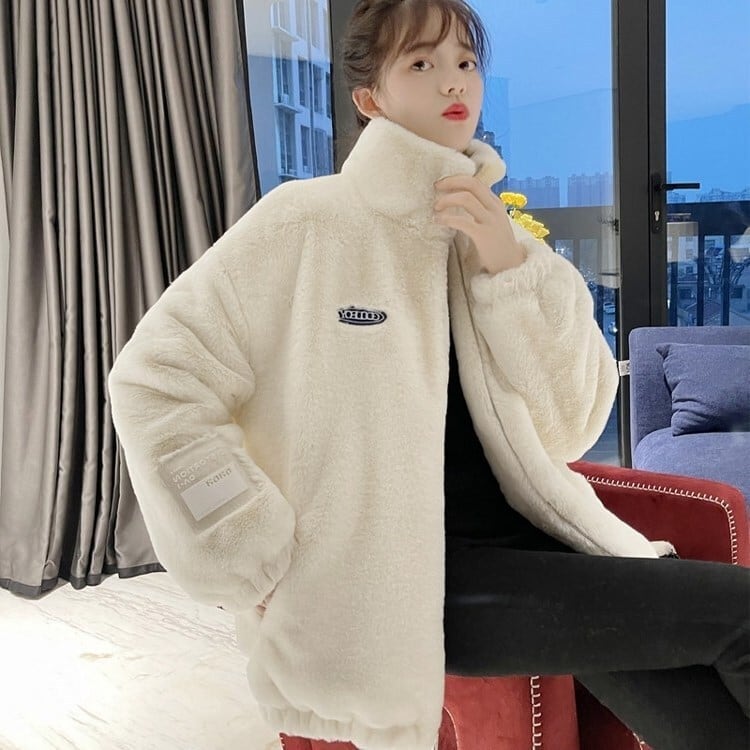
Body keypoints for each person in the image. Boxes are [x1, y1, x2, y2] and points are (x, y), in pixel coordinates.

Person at [107, 0, 750, 748]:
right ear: (369, 98)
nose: (454, 81)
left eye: (466, 62)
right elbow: (153, 381)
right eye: (422, 62)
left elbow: (571, 424)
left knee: (701, 700)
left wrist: (507, 269)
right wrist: (245, 542)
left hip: (541, 550)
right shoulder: (306, 224)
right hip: (410, 588)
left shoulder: (504, 244)